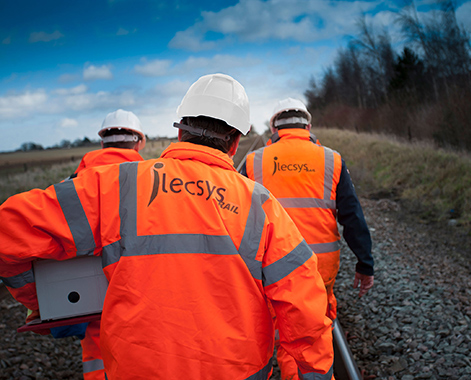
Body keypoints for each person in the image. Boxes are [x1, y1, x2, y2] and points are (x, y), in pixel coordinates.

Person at [0, 74, 334, 380]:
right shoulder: (260, 205)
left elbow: (8, 231)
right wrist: (312, 373)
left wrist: (50, 301)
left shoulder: (113, 186)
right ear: (234, 142)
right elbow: (304, 303)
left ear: (179, 131)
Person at [239, 97, 374, 380]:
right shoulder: (331, 159)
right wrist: (365, 264)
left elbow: (234, 216)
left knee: (284, 331)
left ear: (274, 128)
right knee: (312, 330)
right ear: (308, 126)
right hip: (320, 267)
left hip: (271, 267)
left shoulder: (254, 162)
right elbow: (352, 217)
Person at [71, 109, 146, 380]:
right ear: (140, 143)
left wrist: (37, 300)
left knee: (97, 355)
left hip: (90, 289)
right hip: (140, 285)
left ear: (102, 142)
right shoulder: (151, 179)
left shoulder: (74, 183)